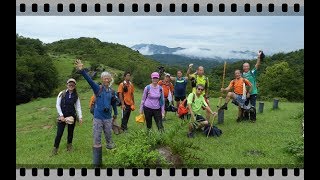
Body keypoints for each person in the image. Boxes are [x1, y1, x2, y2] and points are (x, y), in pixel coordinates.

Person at [75, 59, 118, 167]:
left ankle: (111, 154)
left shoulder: (112, 91)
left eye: (108, 78)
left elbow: (113, 103)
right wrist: (82, 70)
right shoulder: (97, 88)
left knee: (109, 136)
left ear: (110, 80)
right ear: (102, 80)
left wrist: (115, 114)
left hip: (108, 118)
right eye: (104, 78)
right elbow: (89, 80)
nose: (106, 80)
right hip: (98, 118)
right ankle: (97, 163)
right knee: (97, 138)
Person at [52, 78, 83, 155]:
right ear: (67, 85)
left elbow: (78, 106)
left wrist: (80, 117)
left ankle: (69, 147)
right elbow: (57, 105)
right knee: (59, 133)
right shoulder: (61, 93)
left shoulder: (76, 95)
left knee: (70, 133)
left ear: (75, 85)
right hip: (62, 117)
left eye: (73, 84)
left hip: (71, 117)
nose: (71, 85)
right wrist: (61, 115)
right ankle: (55, 149)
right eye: (70, 84)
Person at [242, 50, 263, 121]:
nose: (245, 67)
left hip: (253, 92)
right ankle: (246, 118)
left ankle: (253, 119)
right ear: (243, 67)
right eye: (244, 66)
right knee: (245, 106)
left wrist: (259, 57)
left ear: (249, 67)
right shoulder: (242, 75)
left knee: (252, 106)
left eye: (247, 66)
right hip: (245, 93)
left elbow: (257, 65)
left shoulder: (252, 72)